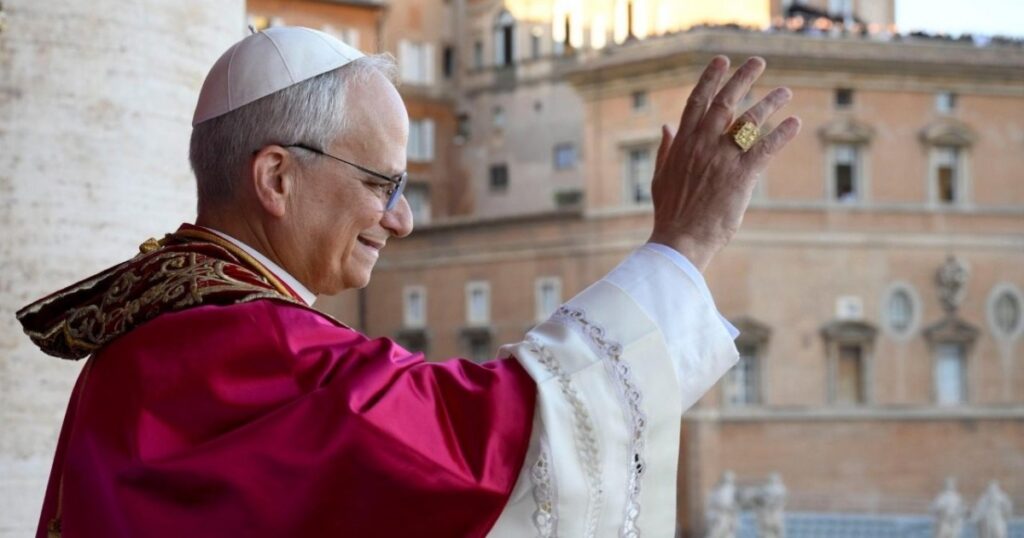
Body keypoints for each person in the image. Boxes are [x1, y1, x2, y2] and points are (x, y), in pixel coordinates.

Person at [17, 27, 799, 537]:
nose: (402, 220)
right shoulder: (258, 350)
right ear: (277, 177)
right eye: (380, 183)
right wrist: (683, 244)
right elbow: (496, 438)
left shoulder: (139, 339)